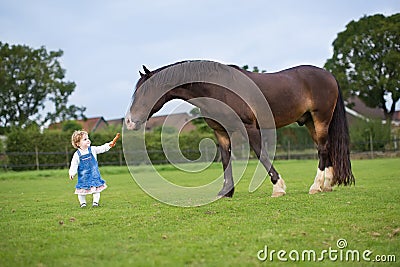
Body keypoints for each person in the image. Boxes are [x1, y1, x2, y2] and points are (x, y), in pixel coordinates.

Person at [69, 130, 118, 208]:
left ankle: (95, 202)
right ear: (78, 144)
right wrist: (72, 173)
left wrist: (109, 145)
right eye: (85, 139)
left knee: (96, 189)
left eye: (88, 138)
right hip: (83, 176)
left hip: (94, 175)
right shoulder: (77, 154)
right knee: (81, 191)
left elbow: (102, 148)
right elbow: (74, 164)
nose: (88, 140)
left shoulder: (92, 149)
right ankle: (83, 203)